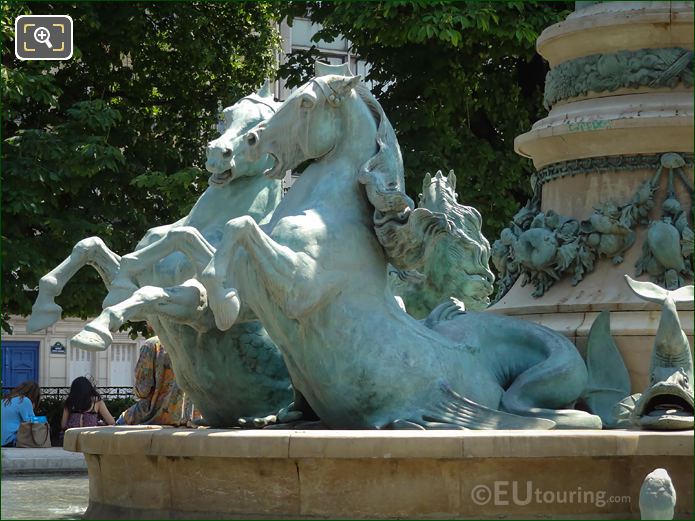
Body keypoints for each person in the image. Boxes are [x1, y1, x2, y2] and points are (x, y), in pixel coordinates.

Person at [116, 336, 196, 426]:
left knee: (120, 423)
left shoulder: (152, 345)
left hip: (155, 415)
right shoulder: (195, 343)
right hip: (191, 417)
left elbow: (143, 390)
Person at [1, 381, 41, 446]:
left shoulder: (4, 400)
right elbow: (33, 423)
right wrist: (32, 408)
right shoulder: (24, 400)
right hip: (10, 440)